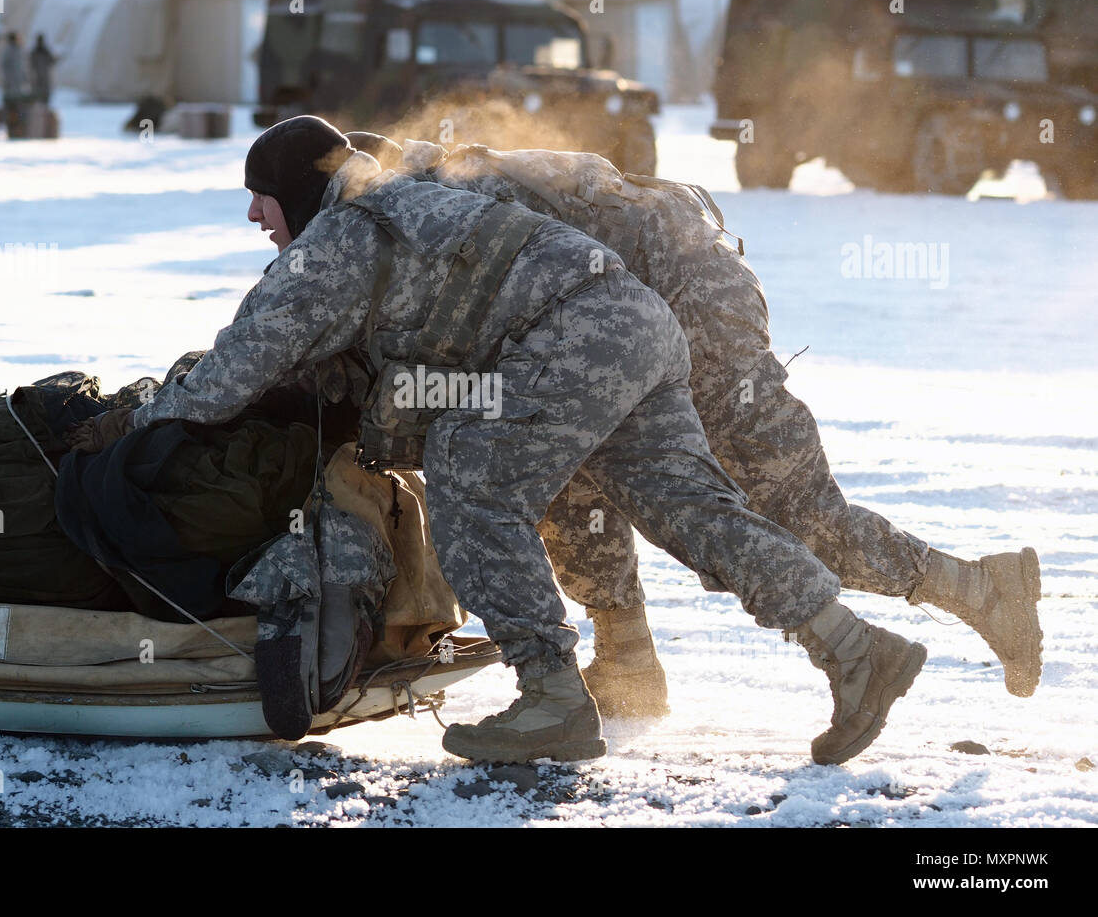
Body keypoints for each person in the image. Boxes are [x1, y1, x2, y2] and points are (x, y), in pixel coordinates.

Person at [73, 116, 930, 766]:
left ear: (297, 186)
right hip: (635, 322)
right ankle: (855, 651)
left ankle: (551, 694)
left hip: (575, 334)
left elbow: (232, 373)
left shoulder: (337, 241)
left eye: (260, 192)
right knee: (690, 508)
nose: (254, 213)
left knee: (470, 478)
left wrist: (138, 420)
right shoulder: (402, 201)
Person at [343, 130, 1042, 719]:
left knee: (786, 510)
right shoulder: (431, 192)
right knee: (566, 468)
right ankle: (627, 662)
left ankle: (978, 588)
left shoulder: (430, 206)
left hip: (690, 294)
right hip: (623, 311)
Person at [0, 32, 27, 135]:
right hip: (10, 84)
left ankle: (19, 126)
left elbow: (22, 67)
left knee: (19, 105)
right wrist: (8, 80)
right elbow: (4, 66)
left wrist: (24, 79)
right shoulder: (8, 51)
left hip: (18, 84)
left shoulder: (19, 50)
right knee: (8, 106)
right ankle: (7, 126)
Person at [28, 34, 57, 106]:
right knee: (38, 96)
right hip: (38, 77)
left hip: (42, 77)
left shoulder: (44, 51)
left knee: (43, 97)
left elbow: (52, 61)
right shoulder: (36, 52)